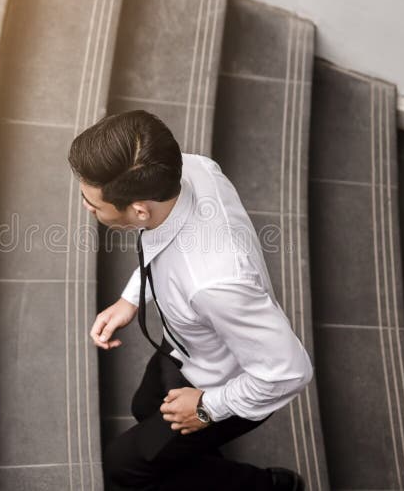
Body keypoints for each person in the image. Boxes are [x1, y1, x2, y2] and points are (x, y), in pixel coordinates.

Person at [68, 110, 312, 490]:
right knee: (144, 407)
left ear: (138, 211)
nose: (86, 207)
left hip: (222, 380)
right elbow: (168, 250)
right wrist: (133, 297)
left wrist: (206, 407)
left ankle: (272, 486)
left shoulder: (215, 285)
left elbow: (288, 372)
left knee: (123, 466)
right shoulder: (194, 170)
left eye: (92, 203)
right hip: (187, 345)